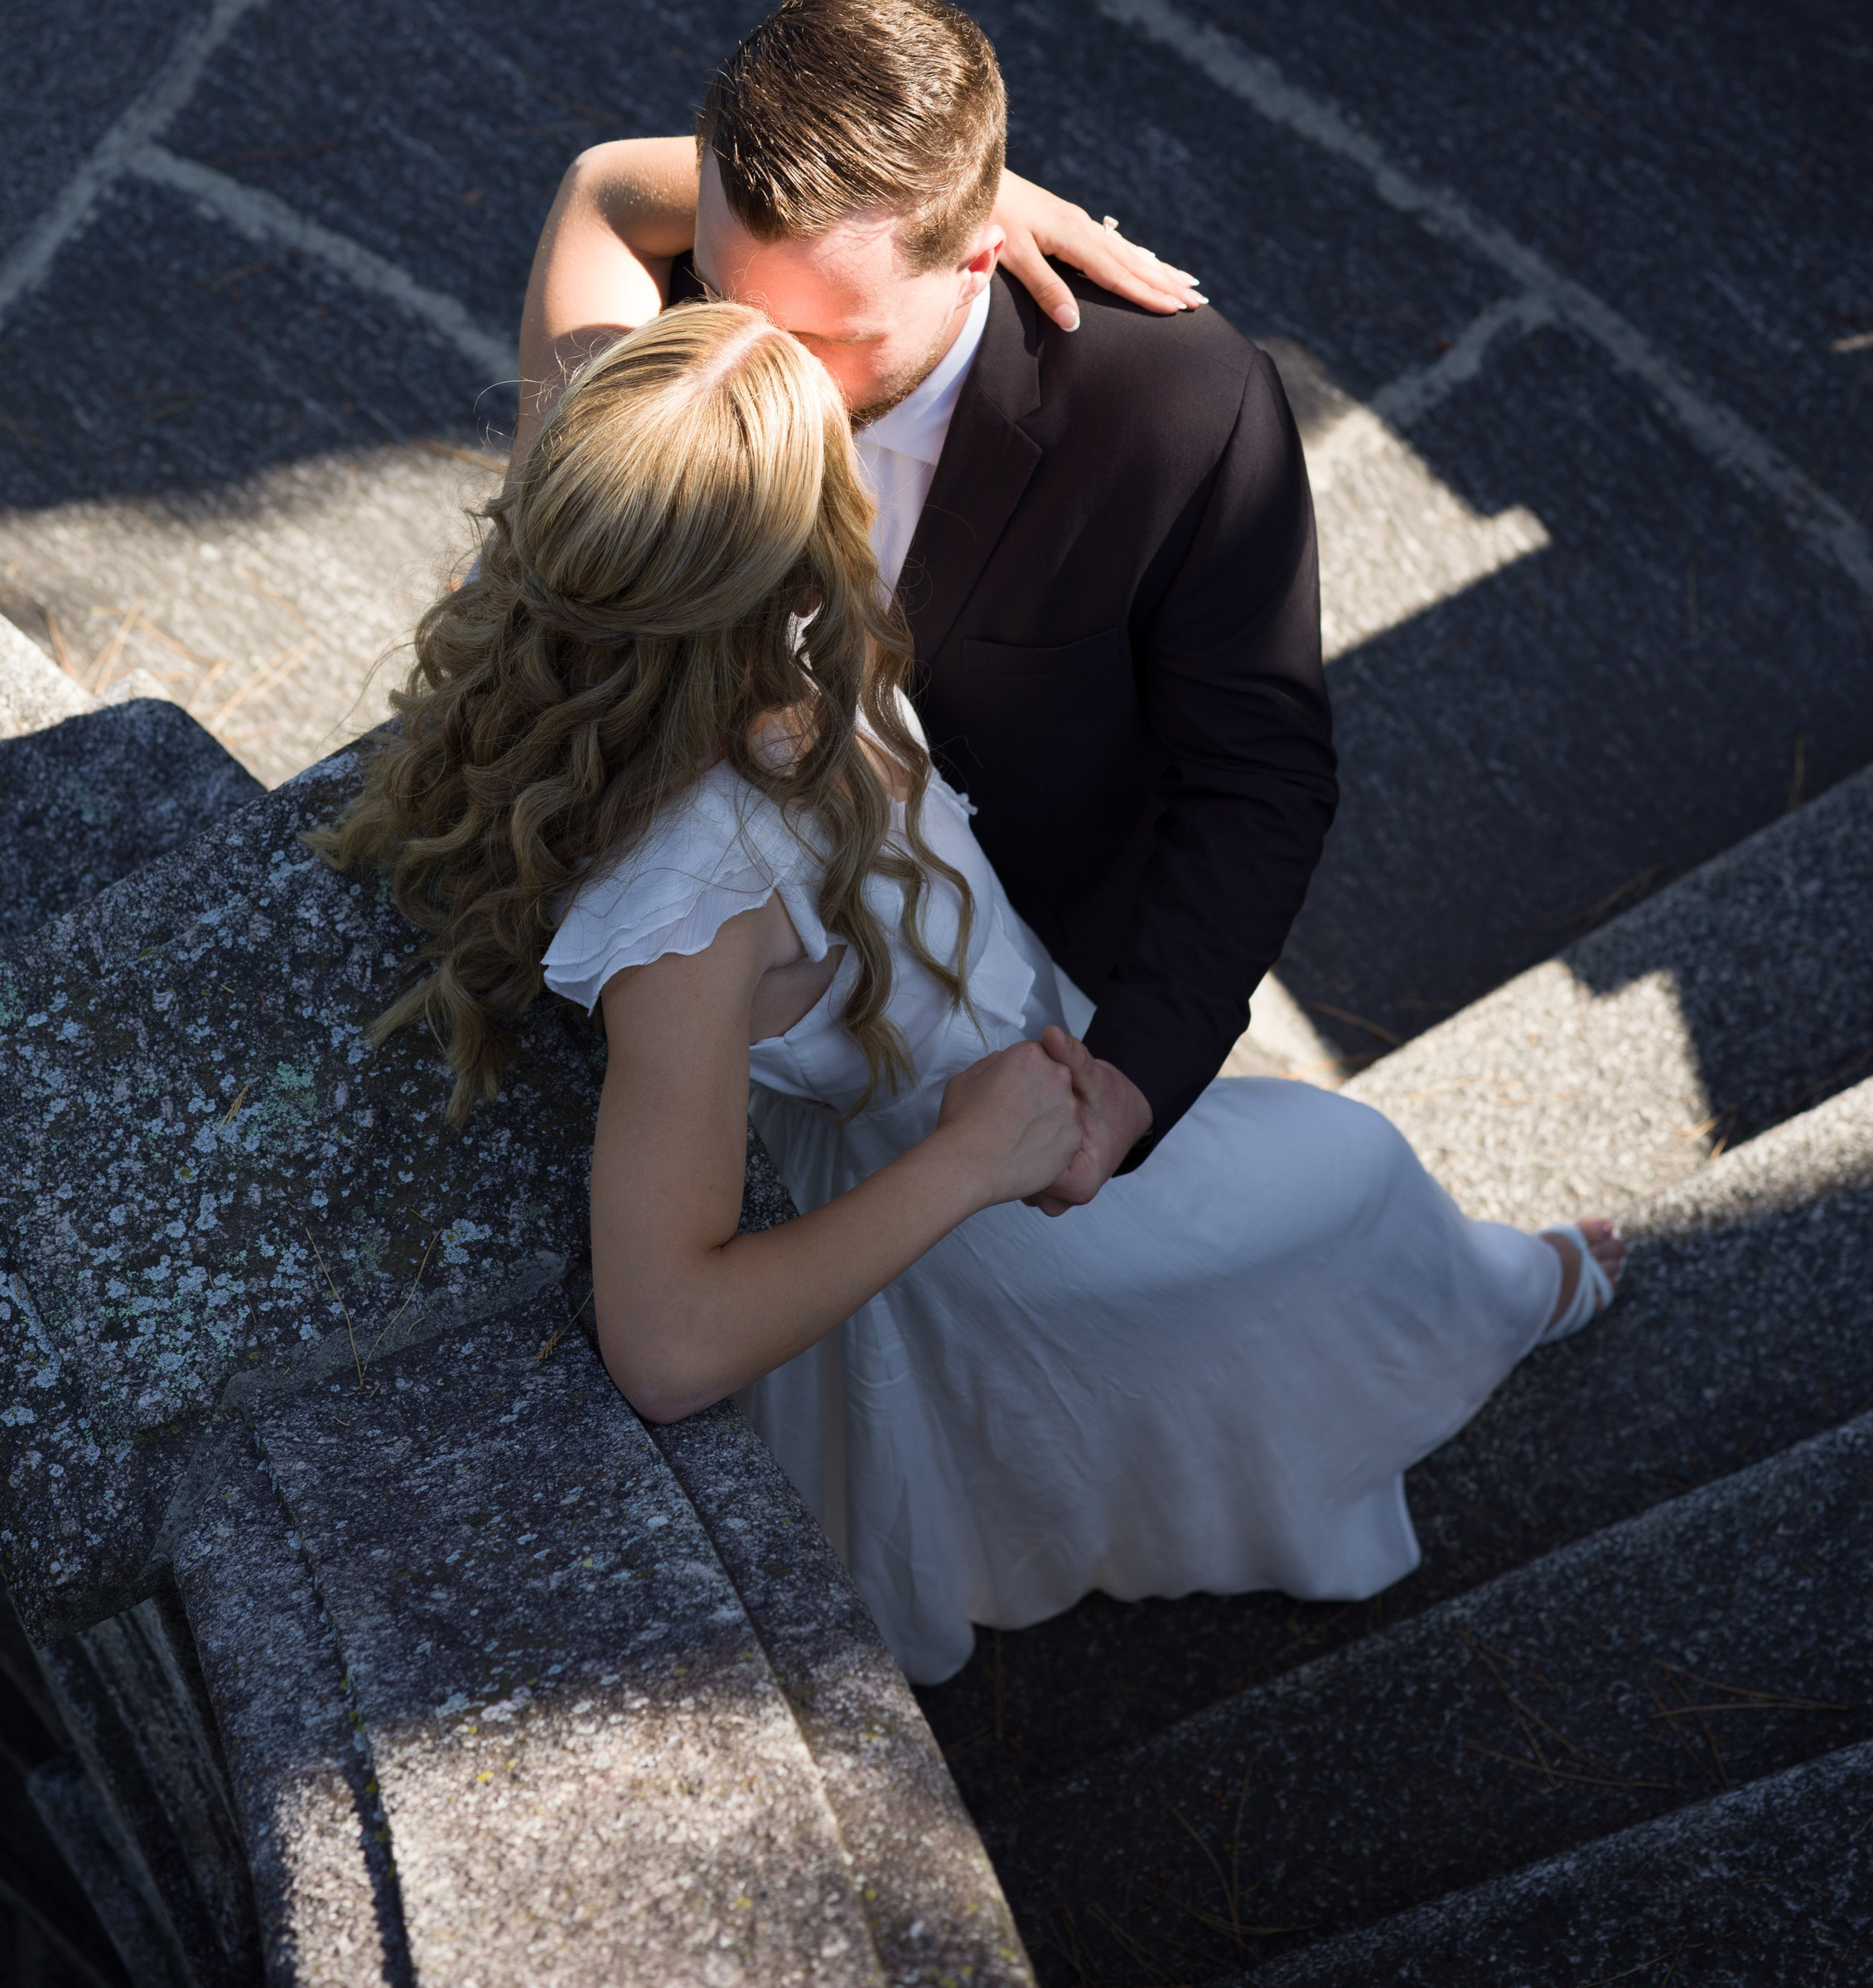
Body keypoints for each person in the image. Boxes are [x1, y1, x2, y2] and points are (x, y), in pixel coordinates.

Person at [321, 304, 1624, 1686]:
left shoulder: (610, 528)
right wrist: (964, 1166)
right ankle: (1505, 1298)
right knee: (1350, 1175)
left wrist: (978, 201)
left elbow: (603, 186)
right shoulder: (694, 909)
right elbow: (665, 1346)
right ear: (777, 564)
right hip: (965, 1163)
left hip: (995, 1024)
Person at [507, 0, 1318, 1188]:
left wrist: (1123, 1091)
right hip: (755, 986)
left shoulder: (1182, 412)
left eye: (831, 340)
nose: (756, 378)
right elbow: (605, 192)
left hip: (1021, 987)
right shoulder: (692, 314)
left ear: (982, 253)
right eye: (726, 297)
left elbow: (1258, 776)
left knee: (1314, 1202)